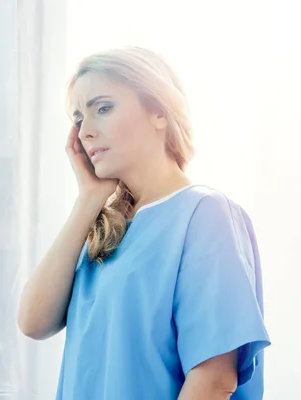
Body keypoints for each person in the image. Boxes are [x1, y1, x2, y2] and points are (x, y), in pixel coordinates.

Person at [17, 46, 271, 399]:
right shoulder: (109, 229)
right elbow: (33, 321)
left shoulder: (205, 214)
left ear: (159, 113)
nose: (85, 132)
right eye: (77, 120)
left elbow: (214, 380)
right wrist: (88, 200)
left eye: (102, 108)